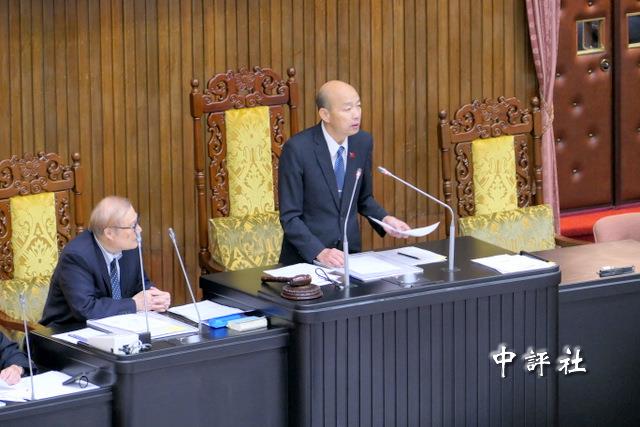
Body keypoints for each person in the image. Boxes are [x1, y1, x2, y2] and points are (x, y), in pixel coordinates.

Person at [278, 80, 410, 267]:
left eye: (358, 106)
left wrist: (385, 219)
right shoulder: (298, 149)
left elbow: (363, 198)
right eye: (347, 109)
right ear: (325, 114)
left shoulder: (362, 142)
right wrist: (320, 252)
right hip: (306, 261)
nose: (356, 114)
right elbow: (290, 217)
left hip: (349, 257)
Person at [40, 196, 171, 329]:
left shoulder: (130, 247)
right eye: (133, 226)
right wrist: (135, 304)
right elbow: (86, 309)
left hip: (117, 326)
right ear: (109, 233)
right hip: (68, 331)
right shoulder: (77, 256)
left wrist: (156, 298)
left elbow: (141, 284)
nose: (139, 229)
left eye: (137, 222)